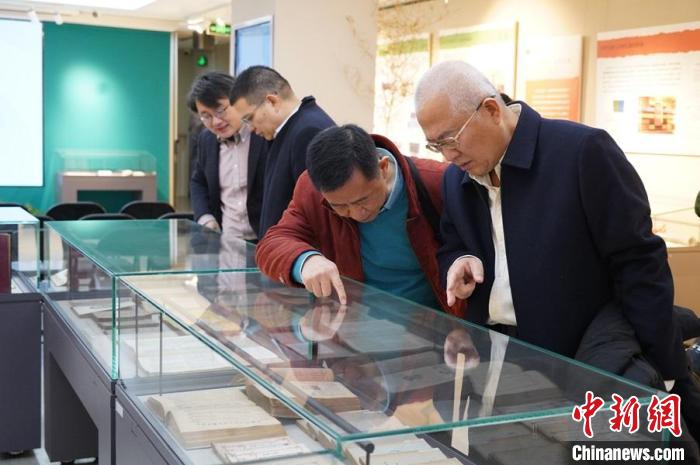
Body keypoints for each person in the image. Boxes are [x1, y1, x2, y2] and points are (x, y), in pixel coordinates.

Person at [414, 61, 700, 443]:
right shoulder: (457, 179)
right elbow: (453, 243)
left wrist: (667, 368)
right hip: (494, 363)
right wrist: (460, 261)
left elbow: (639, 265)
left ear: (491, 110)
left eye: (451, 139)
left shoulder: (581, 152)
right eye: (436, 145)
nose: (447, 156)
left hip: (580, 367)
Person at [256, 124, 460, 315]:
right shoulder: (310, 190)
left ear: (383, 167)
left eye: (363, 200)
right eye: (339, 206)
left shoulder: (438, 182)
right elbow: (272, 242)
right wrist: (306, 261)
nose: (357, 214)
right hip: (350, 323)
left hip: (428, 327)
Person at [228, 66, 335, 236]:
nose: (251, 128)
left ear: (272, 101)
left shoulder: (308, 132)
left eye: (249, 119)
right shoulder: (287, 130)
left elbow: (314, 214)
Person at [188, 72, 267, 239]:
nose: (216, 122)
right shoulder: (206, 140)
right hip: (227, 239)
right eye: (206, 116)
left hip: (266, 239)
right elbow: (198, 181)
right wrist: (205, 217)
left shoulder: (263, 133)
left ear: (238, 100)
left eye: (220, 111)